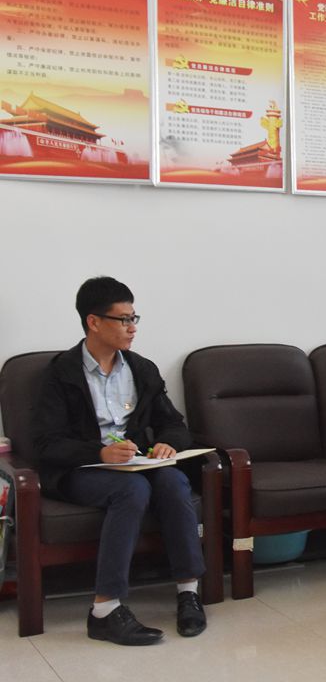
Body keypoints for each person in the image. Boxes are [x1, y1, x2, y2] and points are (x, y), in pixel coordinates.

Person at [31, 277, 207, 646]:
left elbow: (174, 424)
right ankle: (105, 610)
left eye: (134, 318)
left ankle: (188, 592)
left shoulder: (141, 369)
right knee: (131, 489)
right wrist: (98, 453)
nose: (132, 327)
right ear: (93, 322)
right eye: (124, 319)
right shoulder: (60, 373)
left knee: (173, 481)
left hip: (134, 463)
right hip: (82, 470)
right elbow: (46, 443)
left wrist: (166, 445)